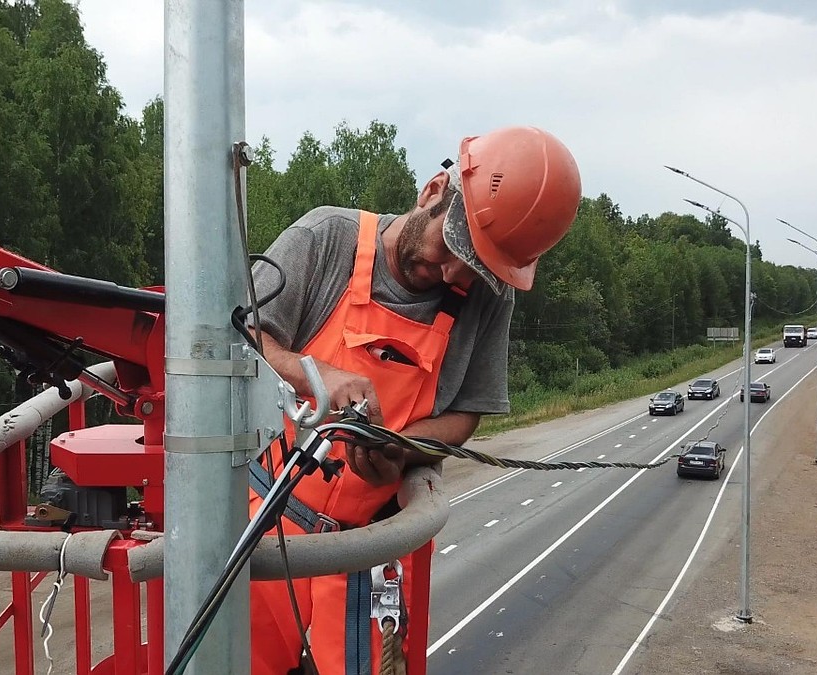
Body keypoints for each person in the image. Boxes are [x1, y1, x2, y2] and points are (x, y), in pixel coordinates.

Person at [247, 125, 582, 675]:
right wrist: (317, 376)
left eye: (476, 270)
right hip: (267, 518)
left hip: (372, 545)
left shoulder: (487, 299)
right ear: (432, 193)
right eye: (451, 250)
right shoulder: (326, 239)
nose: (452, 275)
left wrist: (400, 452)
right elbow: (245, 337)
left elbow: (467, 413)